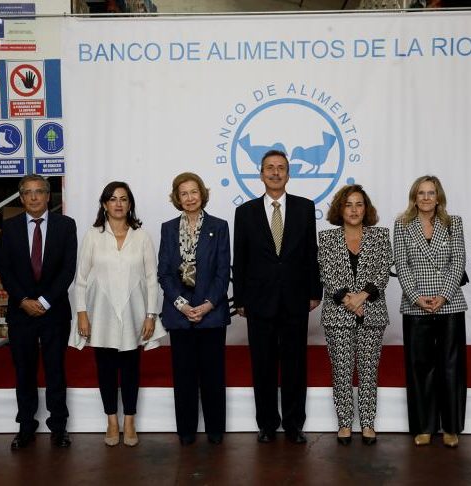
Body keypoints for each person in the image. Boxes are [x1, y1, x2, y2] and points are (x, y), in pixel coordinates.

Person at [233, 149, 322, 444]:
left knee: (296, 365)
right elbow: (240, 257)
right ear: (261, 174)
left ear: (288, 173)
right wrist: (240, 299)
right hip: (258, 301)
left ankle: (295, 424)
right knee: (263, 365)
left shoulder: (304, 207)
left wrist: (315, 291)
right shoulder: (245, 212)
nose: (275, 172)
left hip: (296, 298)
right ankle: (267, 424)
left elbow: (311, 252)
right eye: (269, 168)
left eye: (281, 167)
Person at [73, 181, 165, 447]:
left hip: (135, 314)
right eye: (113, 199)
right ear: (104, 204)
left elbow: (152, 279)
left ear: (130, 204)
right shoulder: (93, 235)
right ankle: (112, 420)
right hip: (100, 314)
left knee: (131, 369)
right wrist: (81, 313)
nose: (118, 204)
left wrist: (150, 315)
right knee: (105, 369)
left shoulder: (142, 236)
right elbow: (81, 279)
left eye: (123, 199)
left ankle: (130, 421)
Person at [0, 175, 77, 450]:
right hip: (21, 312)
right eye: (28, 193)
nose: (33, 197)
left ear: (48, 196)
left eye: (39, 192)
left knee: (56, 371)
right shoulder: (10, 228)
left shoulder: (66, 225)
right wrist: (23, 300)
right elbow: (4, 269)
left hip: (54, 312)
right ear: (21, 198)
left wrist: (44, 301)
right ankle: (25, 427)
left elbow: (68, 269)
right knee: (24, 372)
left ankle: (59, 427)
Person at [393, 175, 468, 448]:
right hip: (416, 304)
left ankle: (451, 427)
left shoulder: (453, 223)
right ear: (414, 197)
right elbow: (401, 264)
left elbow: (458, 260)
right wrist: (416, 297)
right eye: (421, 193)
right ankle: (424, 426)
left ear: (439, 197)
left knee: (451, 367)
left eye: (431, 193)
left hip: (450, 302)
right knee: (420, 367)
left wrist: (444, 295)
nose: (426, 198)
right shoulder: (402, 224)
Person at [158, 172, 231, 446]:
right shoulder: (167, 228)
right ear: (177, 198)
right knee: (184, 376)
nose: (189, 198)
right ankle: (186, 430)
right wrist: (183, 305)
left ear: (202, 194)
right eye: (184, 193)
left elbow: (223, 272)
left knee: (213, 375)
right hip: (180, 315)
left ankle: (215, 429)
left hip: (211, 313)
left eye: (194, 192)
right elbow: (164, 273)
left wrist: (207, 304)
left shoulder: (219, 226)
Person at [317, 185, 392, 446]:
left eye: (359, 204)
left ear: (366, 209)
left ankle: (368, 423)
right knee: (342, 371)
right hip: (337, 315)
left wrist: (362, 297)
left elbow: (383, 272)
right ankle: (345, 424)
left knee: (369, 371)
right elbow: (326, 273)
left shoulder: (380, 236)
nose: (354, 210)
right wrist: (348, 300)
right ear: (340, 209)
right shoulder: (327, 238)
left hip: (372, 314)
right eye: (348, 204)